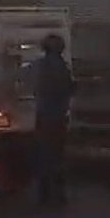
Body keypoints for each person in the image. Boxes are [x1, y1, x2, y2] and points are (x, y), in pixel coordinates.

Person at [31, 33, 76, 206]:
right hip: (59, 116)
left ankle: (46, 194)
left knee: (45, 156)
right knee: (57, 156)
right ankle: (57, 194)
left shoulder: (42, 65)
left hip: (46, 116)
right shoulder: (63, 66)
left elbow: (29, 81)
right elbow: (70, 88)